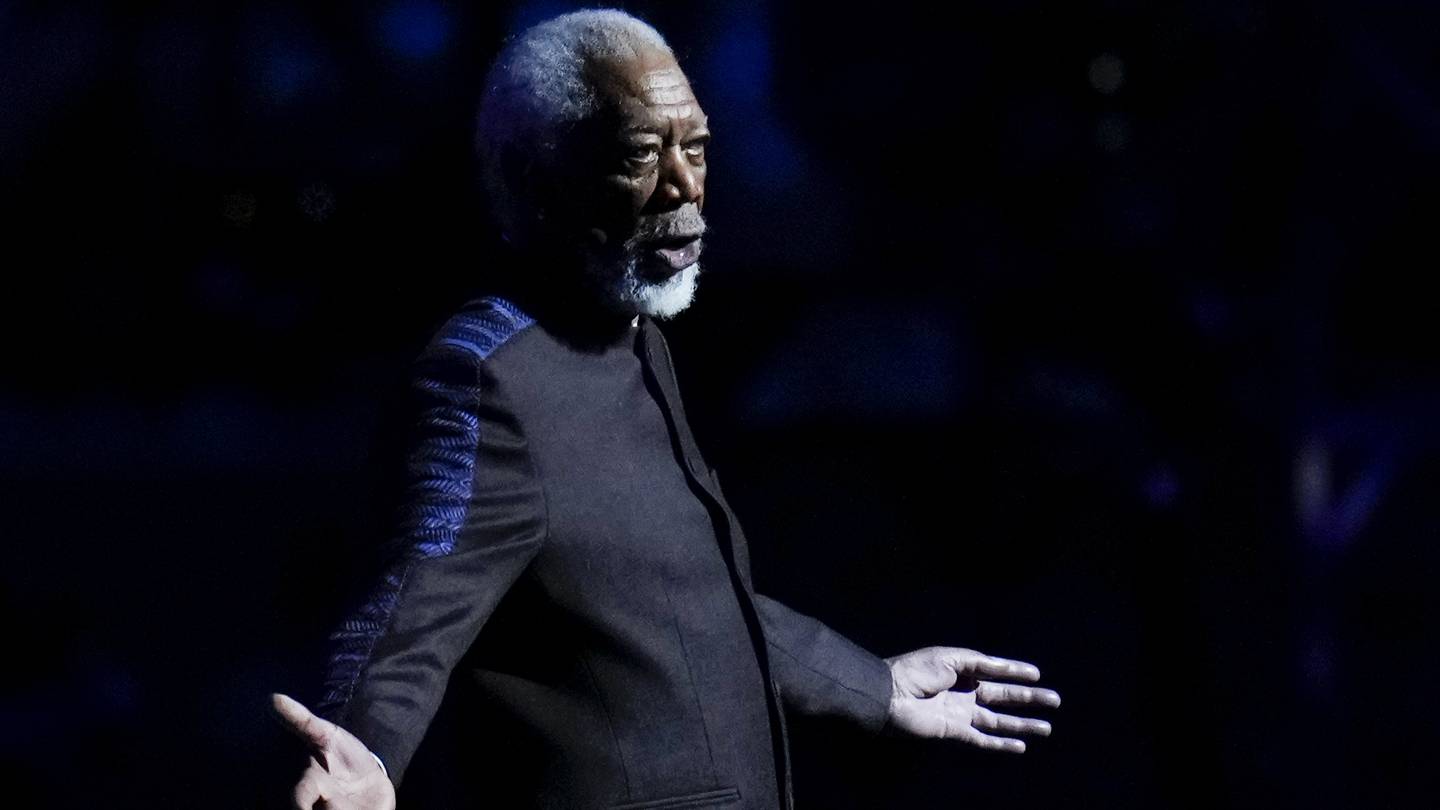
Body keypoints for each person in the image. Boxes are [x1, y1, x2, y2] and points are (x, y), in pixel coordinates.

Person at [271, 9, 1060, 809]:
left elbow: (679, 607)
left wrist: (874, 686)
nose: (685, 184)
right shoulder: (490, 377)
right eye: (641, 154)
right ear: (540, 178)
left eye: (697, 147)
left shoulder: (636, 337)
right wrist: (362, 752)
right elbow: (408, 614)